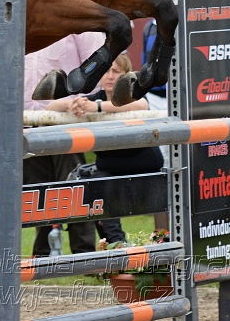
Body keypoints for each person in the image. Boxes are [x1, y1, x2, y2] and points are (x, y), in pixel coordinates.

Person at [0, 32, 104, 257]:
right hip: (26, 122)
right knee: (37, 192)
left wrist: (82, 103)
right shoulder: (18, 22)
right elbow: (0, 68)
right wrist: (6, 107)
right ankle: (42, 254)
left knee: (74, 188)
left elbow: (96, 64)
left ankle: (83, 253)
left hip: (66, 122)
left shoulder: (76, 22)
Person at [46, 53, 159, 244]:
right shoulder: (93, 100)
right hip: (109, 169)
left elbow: (142, 105)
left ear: (126, 75)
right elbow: (51, 107)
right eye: (106, 71)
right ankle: (115, 245)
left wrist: (98, 107)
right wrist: (72, 104)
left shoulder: (131, 94)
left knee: (99, 183)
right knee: (95, 186)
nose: (110, 76)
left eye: (116, 71)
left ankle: (150, 244)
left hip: (142, 166)